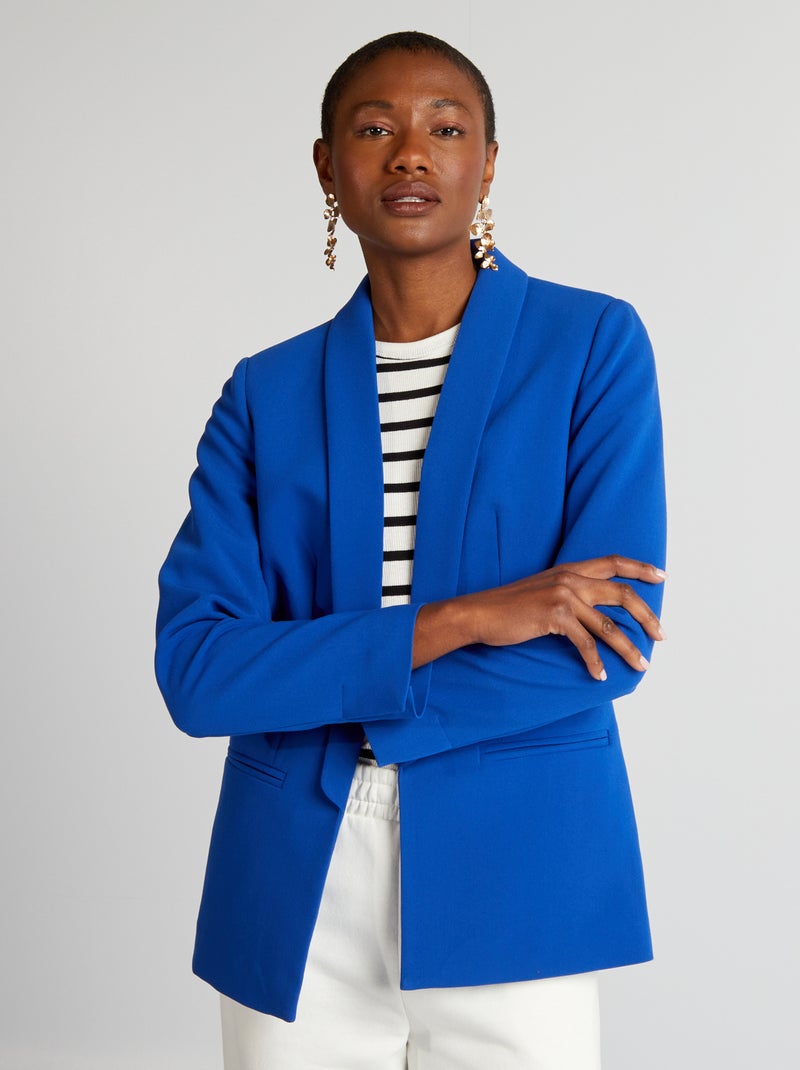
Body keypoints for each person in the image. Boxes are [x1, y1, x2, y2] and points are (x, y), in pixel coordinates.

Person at [155, 30, 667, 1070]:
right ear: (326, 166)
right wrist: (463, 619)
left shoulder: (590, 346)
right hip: (295, 881)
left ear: (488, 162)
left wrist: (317, 674)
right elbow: (199, 672)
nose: (410, 154)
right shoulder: (265, 392)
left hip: (520, 867)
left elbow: (606, 642)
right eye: (373, 128)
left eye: (445, 127)